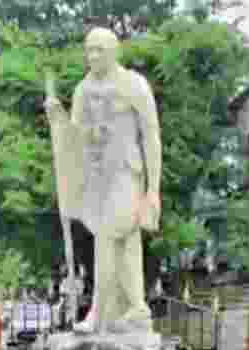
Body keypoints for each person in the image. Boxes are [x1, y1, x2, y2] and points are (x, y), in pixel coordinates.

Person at [45, 27, 162, 334]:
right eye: (89, 50)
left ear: (114, 52)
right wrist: (58, 119)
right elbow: (76, 139)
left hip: (127, 173)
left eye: (99, 50)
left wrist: (153, 190)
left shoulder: (134, 84)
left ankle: (98, 312)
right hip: (99, 177)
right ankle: (136, 308)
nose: (93, 56)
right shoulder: (83, 90)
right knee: (126, 244)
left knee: (109, 235)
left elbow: (151, 136)